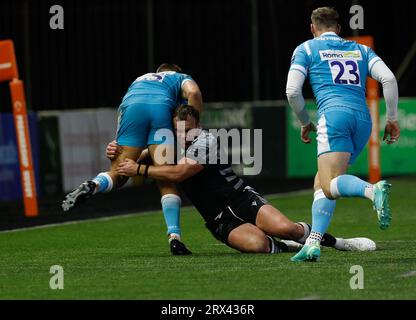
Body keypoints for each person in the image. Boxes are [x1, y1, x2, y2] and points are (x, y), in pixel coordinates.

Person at [109, 104, 376, 254]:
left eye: (188, 130)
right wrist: (116, 152)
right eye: (179, 131)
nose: (183, 135)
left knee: (287, 227)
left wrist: (140, 170)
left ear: (198, 126)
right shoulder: (164, 145)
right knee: (259, 246)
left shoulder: (206, 141)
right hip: (217, 217)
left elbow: (180, 173)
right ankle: (286, 247)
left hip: (241, 198)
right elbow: (130, 160)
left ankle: (339, 243)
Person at [285, 7, 399, 262]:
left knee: (329, 184)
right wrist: (391, 118)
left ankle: (372, 191)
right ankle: (313, 242)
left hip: (333, 116)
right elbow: (389, 79)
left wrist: (304, 121)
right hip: (362, 120)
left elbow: (292, 91)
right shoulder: (360, 49)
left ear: (313, 28)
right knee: (321, 183)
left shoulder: (307, 48)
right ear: (338, 28)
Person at [61, 63, 203, 255]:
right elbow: (193, 93)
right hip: (160, 108)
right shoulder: (178, 78)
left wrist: (117, 146)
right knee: (166, 179)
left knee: (118, 174)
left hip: (132, 106)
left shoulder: (140, 80)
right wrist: (194, 127)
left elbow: (124, 113)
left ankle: (94, 184)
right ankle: (175, 238)